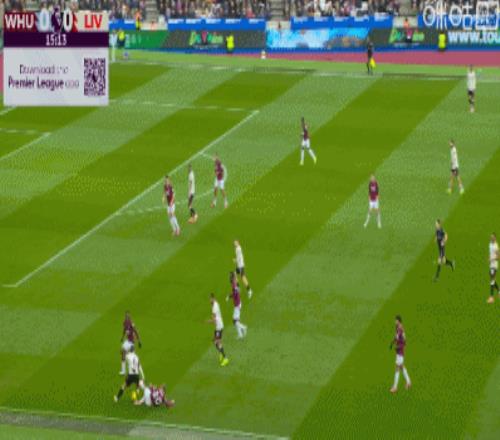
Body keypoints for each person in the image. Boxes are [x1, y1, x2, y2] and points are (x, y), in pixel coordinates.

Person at [390, 315, 411, 393]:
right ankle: (408, 382)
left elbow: (404, 342)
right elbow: (396, 337)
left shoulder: (400, 329)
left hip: (400, 351)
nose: (395, 322)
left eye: (396, 320)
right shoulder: (398, 328)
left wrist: (398, 347)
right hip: (399, 351)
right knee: (401, 366)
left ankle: (395, 387)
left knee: (397, 368)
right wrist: (392, 342)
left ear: (398, 321)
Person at [208, 293, 229, 366]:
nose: (209, 300)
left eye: (210, 299)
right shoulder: (216, 303)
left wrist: (208, 321)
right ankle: (221, 353)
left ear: (213, 298)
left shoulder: (214, 307)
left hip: (219, 326)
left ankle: (225, 358)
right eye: (209, 299)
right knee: (215, 341)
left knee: (217, 342)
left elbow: (214, 321)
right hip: (219, 326)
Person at [227, 272, 248, 339]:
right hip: (238, 303)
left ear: (232, 277)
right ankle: (240, 335)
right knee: (236, 320)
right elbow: (237, 291)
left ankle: (244, 327)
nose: (228, 277)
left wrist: (230, 296)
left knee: (234, 321)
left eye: (229, 276)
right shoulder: (234, 283)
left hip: (237, 304)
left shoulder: (234, 284)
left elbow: (235, 293)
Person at [120, 311, 141, 375]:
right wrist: (122, 337)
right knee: (123, 353)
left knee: (130, 356)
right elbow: (124, 330)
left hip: (131, 342)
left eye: (128, 316)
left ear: (129, 317)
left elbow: (136, 331)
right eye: (126, 316)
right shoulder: (124, 322)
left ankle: (134, 369)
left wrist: (139, 341)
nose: (127, 317)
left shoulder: (131, 323)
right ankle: (123, 371)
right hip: (127, 341)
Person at [487, 233, 499, 304]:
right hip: (491, 265)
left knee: (492, 280)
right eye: (491, 237)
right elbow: (490, 253)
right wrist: (489, 258)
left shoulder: (496, 246)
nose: (492, 238)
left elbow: (498, 257)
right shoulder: (490, 244)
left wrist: (491, 259)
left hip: (494, 265)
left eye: (493, 237)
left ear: (495, 238)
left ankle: (491, 298)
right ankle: (499, 291)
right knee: (493, 280)